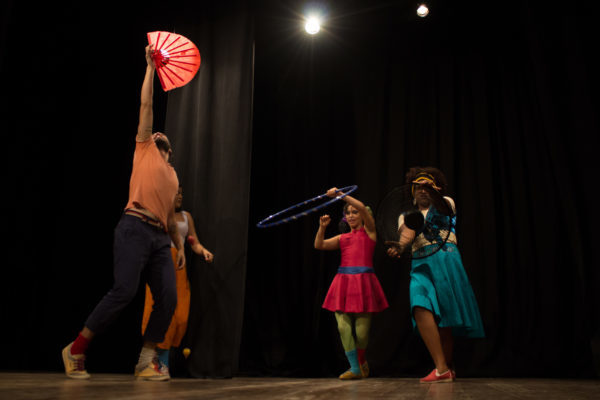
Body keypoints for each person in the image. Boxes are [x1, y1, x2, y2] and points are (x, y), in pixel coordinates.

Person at [61, 44, 185, 381]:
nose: (156, 133)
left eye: (162, 138)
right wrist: (149, 68)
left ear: (169, 151)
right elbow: (147, 104)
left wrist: (181, 246)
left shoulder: (172, 175)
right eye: (154, 133)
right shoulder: (144, 147)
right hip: (134, 225)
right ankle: (75, 349)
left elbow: (173, 219)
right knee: (124, 291)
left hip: (160, 238)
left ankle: (145, 361)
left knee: (168, 299)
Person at [386, 167, 484, 383]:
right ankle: (442, 367)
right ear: (412, 192)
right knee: (419, 305)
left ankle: (446, 366)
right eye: (418, 187)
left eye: (427, 186)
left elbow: (444, 207)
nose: (422, 190)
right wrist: (400, 248)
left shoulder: (446, 202)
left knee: (445, 317)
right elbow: (407, 235)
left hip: (446, 260)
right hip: (421, 264)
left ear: (436, 189)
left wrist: (435, 193)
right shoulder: (407, 216)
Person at [315, 187, 389, 380]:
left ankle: (362, 362)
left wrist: (340, 195)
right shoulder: (343, 238)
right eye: (347, 212)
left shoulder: (370, 232)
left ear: (364, 216)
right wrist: (322, 227)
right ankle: (355, 368)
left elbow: (363, 207)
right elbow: (319, 245)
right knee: (342, 327)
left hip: (363, 282)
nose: (351, 214)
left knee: (362, 333)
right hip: (343, 282)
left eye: (354, 212)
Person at [140, 186, 214, 377]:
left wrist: (203, 250)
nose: (180, 196)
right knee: (162, 314)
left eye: (181, 193)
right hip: (161, 262)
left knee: (180, 317)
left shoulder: (186, 217)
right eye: (176, 193)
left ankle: (156, 363)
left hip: (179, 269)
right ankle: (159, 364)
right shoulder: (159, 213)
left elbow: (193, 241)